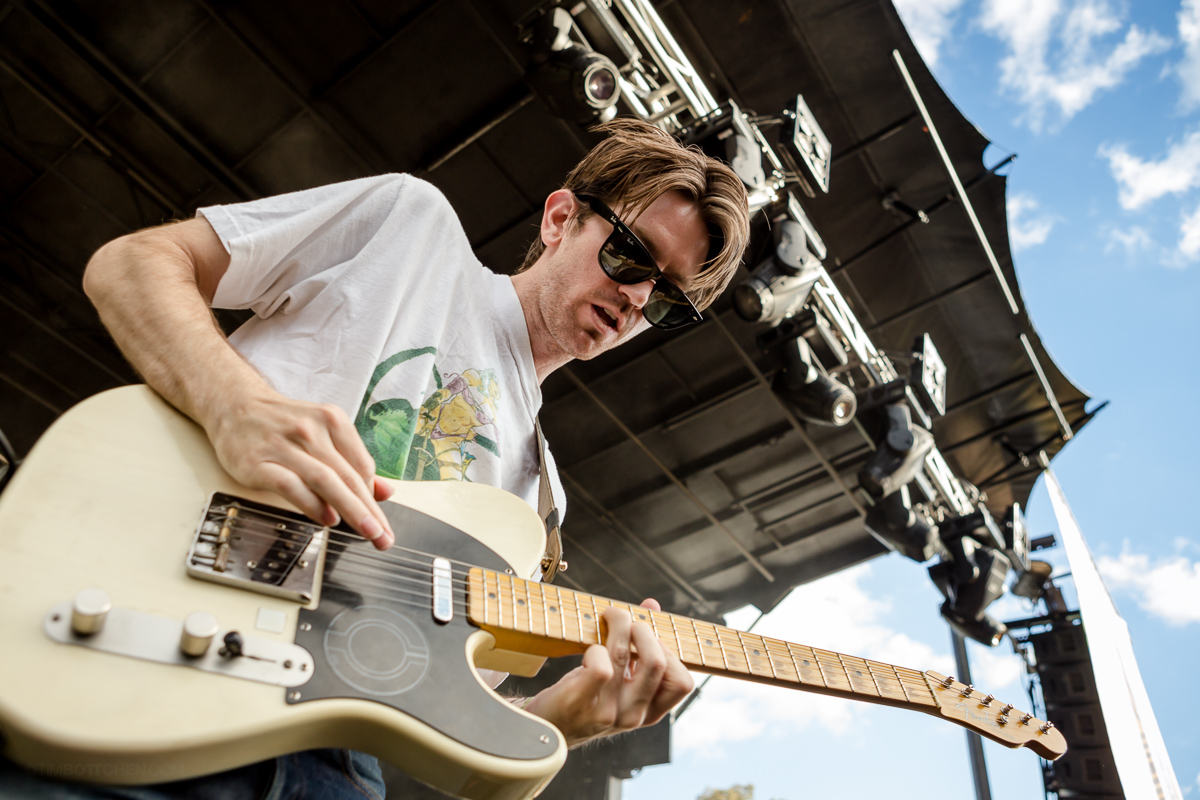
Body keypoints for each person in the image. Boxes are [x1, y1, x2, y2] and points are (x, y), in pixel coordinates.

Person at [2, 118, 749, 798]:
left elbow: (439, 704)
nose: (636, 296)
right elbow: (133, 263)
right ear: (560, 219)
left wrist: (569, 718)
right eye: (629, 253)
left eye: (668, 299)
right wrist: (234, 403)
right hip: (160, 647)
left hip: (332, 769)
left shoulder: (542, 504)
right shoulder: (409, 225)